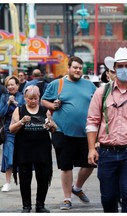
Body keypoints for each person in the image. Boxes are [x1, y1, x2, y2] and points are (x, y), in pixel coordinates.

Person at [86, 47, 127, 212]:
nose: (124, 69)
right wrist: (91, 149)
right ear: (114, 69)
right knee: (108, 197)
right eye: (120, 66)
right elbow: (92, 122)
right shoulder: (102, 93)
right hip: (106, 152)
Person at [41, 56, 97, 210]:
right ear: (69, 68)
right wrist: (53, 104)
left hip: (86, 133)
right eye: (75, 67)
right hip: (61, 131)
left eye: (80, 68)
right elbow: (44, 101)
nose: (78, 70)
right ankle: (67, 199)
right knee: (66, 166)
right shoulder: (57, 84)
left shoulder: (89, 85)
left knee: (91, 163)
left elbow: (98, 103)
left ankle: (77, 187)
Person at [9, 85, 57, 213]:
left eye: (35, 98)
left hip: (42, 149)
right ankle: (26, 206)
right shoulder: (19, 110)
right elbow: (11, 129)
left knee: (43, 177)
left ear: (39, 97)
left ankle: (40, 205)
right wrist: (22, 122)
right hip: (24, 150)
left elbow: (54, 128)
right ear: (25, 98)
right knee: (25, 178)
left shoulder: (44, 110)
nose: (33, 101)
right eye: (30, 98)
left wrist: (50, 124)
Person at [0, 76, 25, 192]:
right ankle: (7, 182)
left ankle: (23, 181)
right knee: (8, 154)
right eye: (8, 85)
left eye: (12, 84)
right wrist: (7, 103)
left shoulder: (23, 96)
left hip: (21, 128)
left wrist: (15, 103)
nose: (10, 87)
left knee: (22, 155)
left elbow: (25, 111)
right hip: (8, 130)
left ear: (17, 85)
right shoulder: (4, 97)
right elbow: (1, 113)